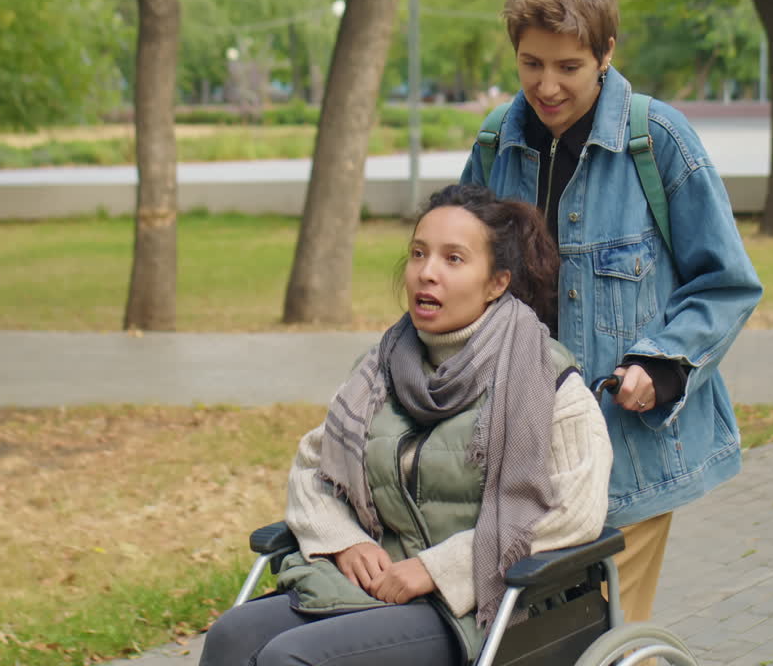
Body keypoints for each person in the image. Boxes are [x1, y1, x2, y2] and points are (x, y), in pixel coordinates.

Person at [460, 0, 764, 625]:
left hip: (624, 455)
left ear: (606, 54)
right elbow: (464, 280)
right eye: (530, 63)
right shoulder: (494, 146)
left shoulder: (660, 142)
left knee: (600, 632)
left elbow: (727, 284)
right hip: (516, 452)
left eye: (567, 66)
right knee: (537, 633)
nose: (546, 85)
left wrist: (660, 363)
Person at [199, 183, 612, 666]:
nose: (426, 273)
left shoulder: (545, 381)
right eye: (419, 254)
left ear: (497, 282)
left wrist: (437, 570)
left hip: (490, 604)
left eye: (453, 259)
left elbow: (575, 511)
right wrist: (343, 538)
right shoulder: (378, 371)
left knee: (293, 658)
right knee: (232, 637)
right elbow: (314, 469)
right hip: (382, 583)